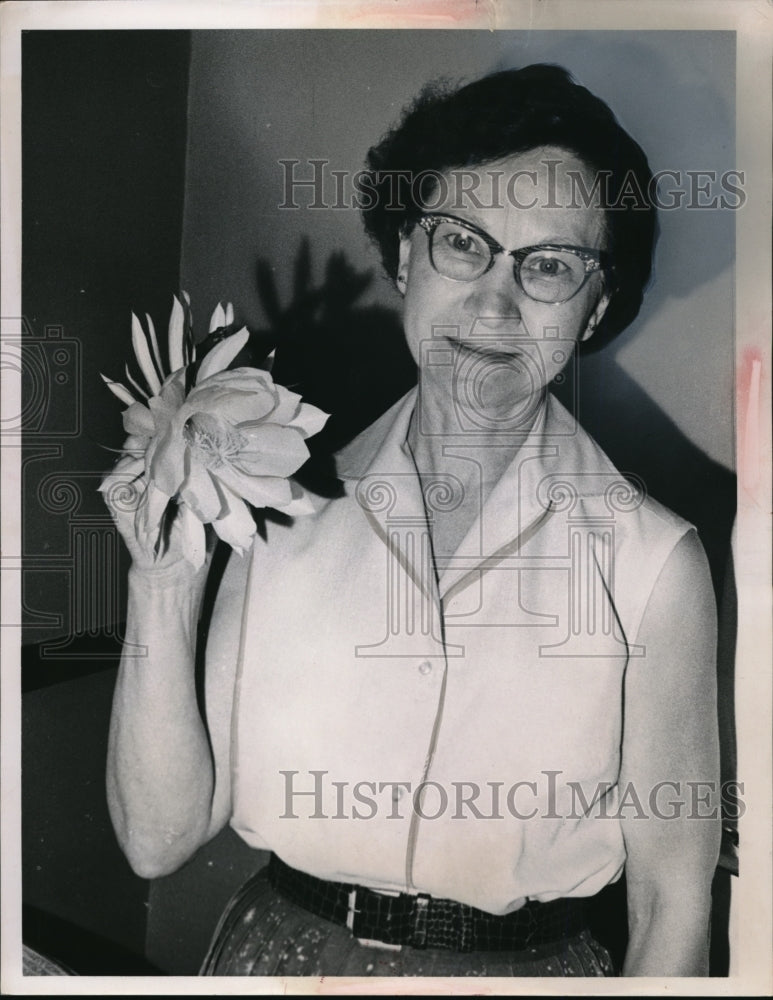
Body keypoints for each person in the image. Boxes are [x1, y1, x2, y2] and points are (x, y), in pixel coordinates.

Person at [104, 65, 720, 977]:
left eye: (549, 266)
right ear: (403, 255)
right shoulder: (279, 500)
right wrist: (162, 583)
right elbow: (158, 841)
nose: (494, 303)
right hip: (280, 962)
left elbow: (672, 904)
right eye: (461, 243)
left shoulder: (652, 561)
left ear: (594, 309)